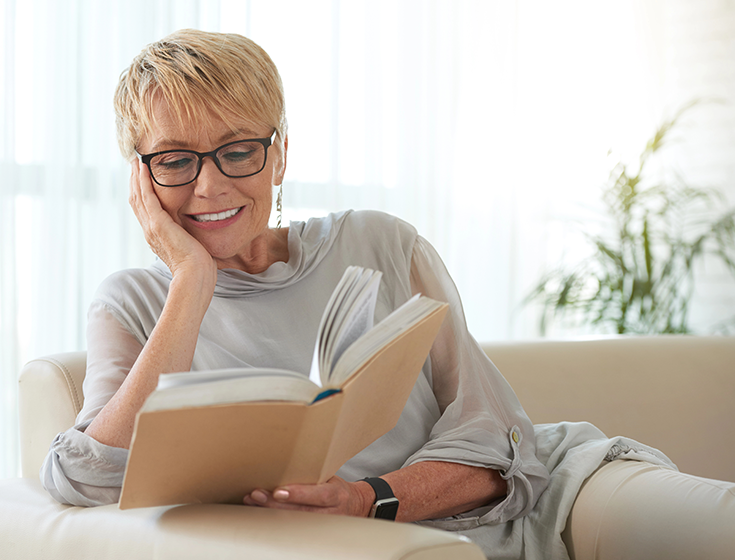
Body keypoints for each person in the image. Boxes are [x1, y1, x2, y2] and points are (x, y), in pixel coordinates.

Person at [41, 29, 672, 559]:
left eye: (238, 151)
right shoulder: (131, 303)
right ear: (140, 178)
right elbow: (86, 477)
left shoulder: (382, 244)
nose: (208, 186)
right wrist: (191, 282)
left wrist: (366, 499)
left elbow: (499, 440)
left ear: (280, 156)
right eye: (176, 160)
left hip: (476, 532)